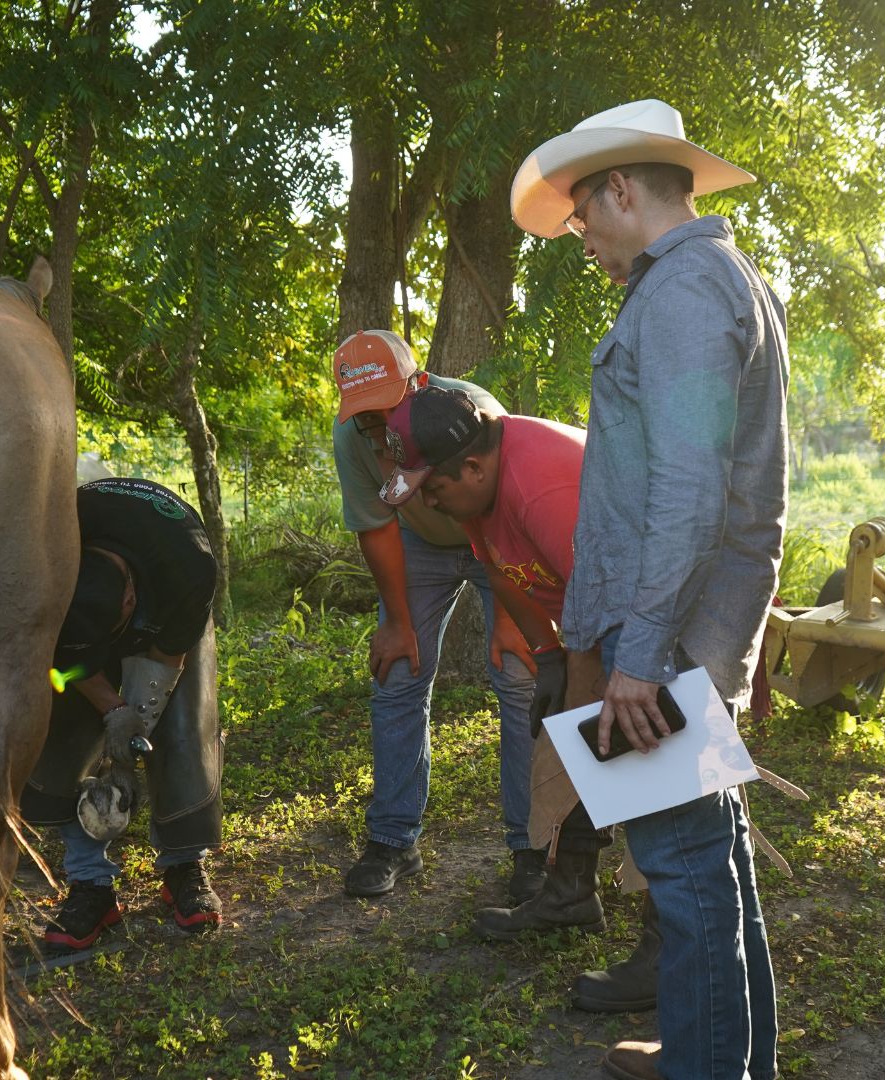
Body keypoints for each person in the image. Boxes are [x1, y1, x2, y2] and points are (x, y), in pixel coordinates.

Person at [511, 99, 789, 1080]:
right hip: (676, 625)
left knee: (683, 872)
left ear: (622, 190)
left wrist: (636, 658)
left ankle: (709, 1067)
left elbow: (688, 484)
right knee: (710, 864)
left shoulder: (679, 291)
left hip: (663, 634)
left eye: (583, 214)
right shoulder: (712, 279)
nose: (580, 235)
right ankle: (723, 1056)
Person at [380, 383, 663, 1014]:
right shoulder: (477, 493)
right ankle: (569, 893)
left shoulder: (541, 487)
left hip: (654, 611)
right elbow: (502, 571)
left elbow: (636, 592)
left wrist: (633, 676)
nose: (428, 502)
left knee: (656, 769)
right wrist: (550, 654)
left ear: (473, 467)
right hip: (599, 607)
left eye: (432, 488)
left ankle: (669, 949)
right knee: (574, 739)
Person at [329, 330, 542, 902]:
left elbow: (506, 515)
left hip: (496, 540)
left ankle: (533, 847)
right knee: (398, 673)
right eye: (363, 417)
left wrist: (509, 618)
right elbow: (376, 526)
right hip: (420, 544)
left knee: (520, 677)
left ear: (418, 384)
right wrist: (397, 622)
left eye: (386, 412)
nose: (374, 429)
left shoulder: (472, 414)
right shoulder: (350, 437)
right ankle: (394, 840)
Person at [19, 477, 226, 949]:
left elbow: (166, 662)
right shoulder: (51, 544)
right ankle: (91, 886)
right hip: (72, 617)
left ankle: (183, 868)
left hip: (168, 618)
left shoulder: (189, 568)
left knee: (181, 732)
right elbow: (65, 659)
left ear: (130, 598)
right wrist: (112, 710)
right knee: (65, 728)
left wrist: (133, 737)